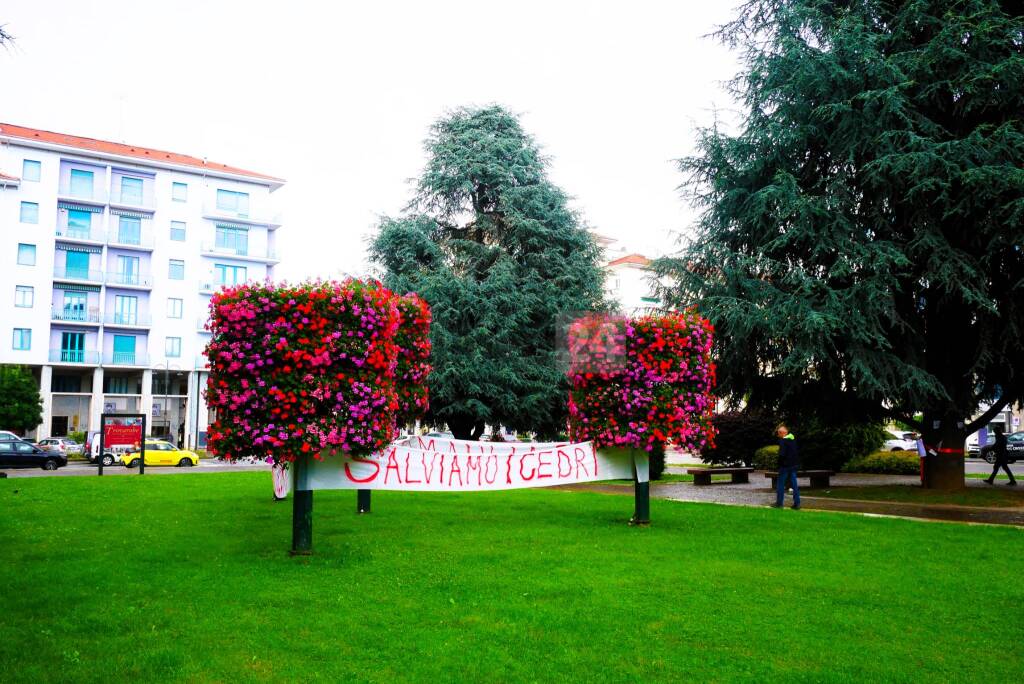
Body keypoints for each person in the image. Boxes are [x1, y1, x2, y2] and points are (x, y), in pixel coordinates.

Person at [772, 424, 801, 509]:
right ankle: (797, 503)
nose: (778, 436)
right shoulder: (793, 439)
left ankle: (779, 503)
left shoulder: (783, 441)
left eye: (778, 433)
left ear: (782, 433)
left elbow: (782, 455)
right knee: (794, 484)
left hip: (784, 466)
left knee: (780, 484)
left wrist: (778, 464)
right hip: (793, 465)